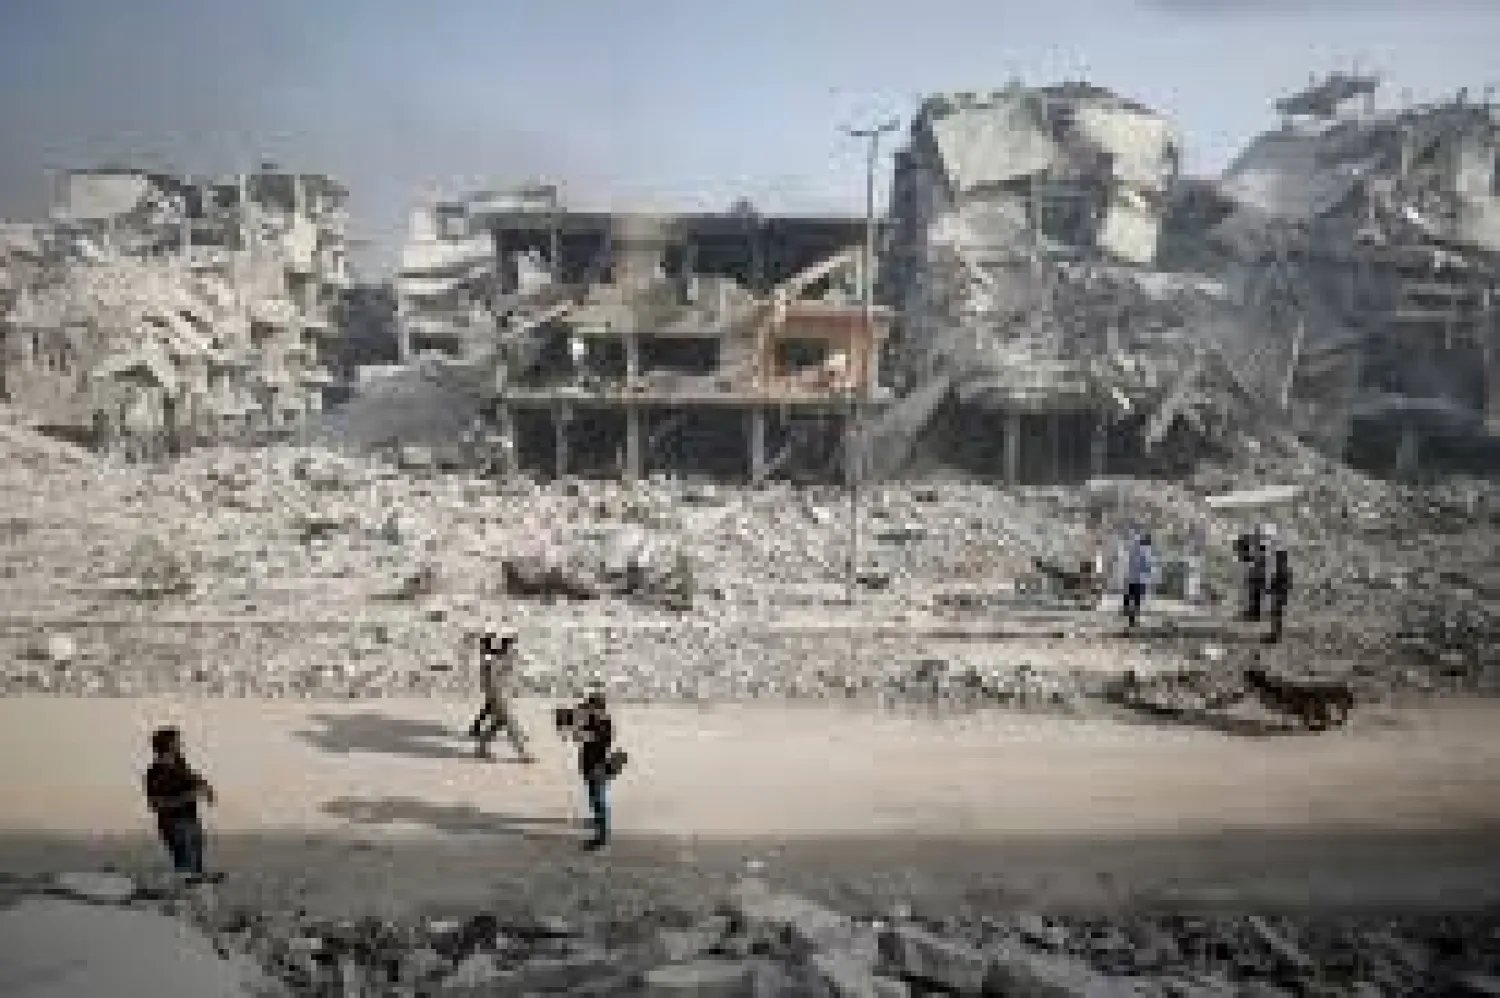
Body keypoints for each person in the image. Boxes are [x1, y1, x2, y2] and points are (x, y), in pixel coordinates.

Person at [143, 727, 217, 884]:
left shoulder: (181, 767)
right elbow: (156, 805)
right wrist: (187, 797)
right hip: (174, 824)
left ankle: (194, 892)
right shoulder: (155, 773)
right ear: (168, 745)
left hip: (191, 821)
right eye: (176, 742)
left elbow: (195, 780)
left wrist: (205, 788)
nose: (180, 745)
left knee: (196, 865)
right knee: (185, 867)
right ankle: (182, 894)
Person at [468, 628, 535, 763]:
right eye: (509, 645)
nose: (511, 648)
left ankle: (482, 746)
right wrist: (496, 696)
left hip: (501, 694)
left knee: (499, 723)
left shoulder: (500, 659)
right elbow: (493, 680)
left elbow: (508, 677)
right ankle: (523, 753)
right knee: (510, 723)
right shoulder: (493, 661)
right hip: (498, 695)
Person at [564, 687, 616, 851]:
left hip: (597, 766)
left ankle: (601, 836)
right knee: (595, 797)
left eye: (590, 707)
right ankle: (599, 825)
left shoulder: (602, 724)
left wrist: (577, 726)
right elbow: (576, 737)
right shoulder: (596, 721)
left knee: (598, 799)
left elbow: (582, 737)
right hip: (591, 765)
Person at [1122, 531, 1156, 630]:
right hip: (1140, 580)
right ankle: (1132, 618)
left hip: (1132, 579)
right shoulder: (1148, 553)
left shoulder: (1135, 550)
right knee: (1136, 601)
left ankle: (1130, 617)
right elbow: (1149, 568)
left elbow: (1129, 563)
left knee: (1128, 598)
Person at [1265, 548, 1293, 644]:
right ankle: (1276, 635)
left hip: (1278, 597)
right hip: (1279, 596)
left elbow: (1282, 584)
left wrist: (1272, 589)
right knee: (1276, 617)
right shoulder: (1284, 570)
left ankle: (1275, 636)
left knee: (1276, 617)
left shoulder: (1281, 570)